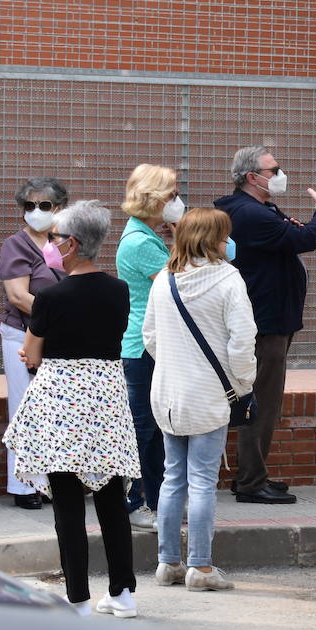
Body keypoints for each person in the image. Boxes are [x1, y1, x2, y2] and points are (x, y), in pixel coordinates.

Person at [2, 200, 140, 617]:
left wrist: (40, 352)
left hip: (61, 399)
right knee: (112, 496)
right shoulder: (120, 290)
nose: (50, 242)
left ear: (73, 244)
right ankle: (123, 592)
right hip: (107, 397)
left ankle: (77, 597)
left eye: (56, 236)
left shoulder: (50, 296)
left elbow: (30, 352)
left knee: (66, 500)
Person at [144, 208, 256, 593]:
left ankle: (168, 562)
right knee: (203, 481)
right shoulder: (229, 280)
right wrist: (243, 383)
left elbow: (151, 337)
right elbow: (242, 343)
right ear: (213, 240)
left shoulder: (165, 281)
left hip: (168, 394)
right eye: (224, 236)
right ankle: (201, 568)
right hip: (210, 394)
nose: (229, 242)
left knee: (172, 478)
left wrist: (177, 364)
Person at [215, 146, 316, 505]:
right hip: (265, 323)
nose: (280, 174)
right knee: (262, 402)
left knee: (263, 400)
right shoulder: (248, 213)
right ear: (252, 177)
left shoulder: (255, 208)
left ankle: (254, 474)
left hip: (271, 318)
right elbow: (306, 239)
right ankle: (251, 481)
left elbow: (288, 234)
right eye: (273, 169)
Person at [116, 163, 184, 531]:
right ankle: (135, 500)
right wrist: (185, 233)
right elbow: (179, 283)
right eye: (172, 195)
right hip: (142, 348)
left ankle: (156, 500)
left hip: (149, 345)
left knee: (155, 427)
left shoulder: (146, 235)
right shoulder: (140, 242)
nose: (177, 201)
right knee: (143, 428)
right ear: (155, 198)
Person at [0, 176, 67, 510]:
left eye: (44, 205)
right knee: (24, 408)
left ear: (60, 208)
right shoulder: (16, 244)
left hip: (59, 337)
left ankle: (54, 482)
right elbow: (18, 295)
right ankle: (24, 486)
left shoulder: (65, 242)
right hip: (21, 335)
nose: (35, 211)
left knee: (55, 411)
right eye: (29, 205)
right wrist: (61, 315)